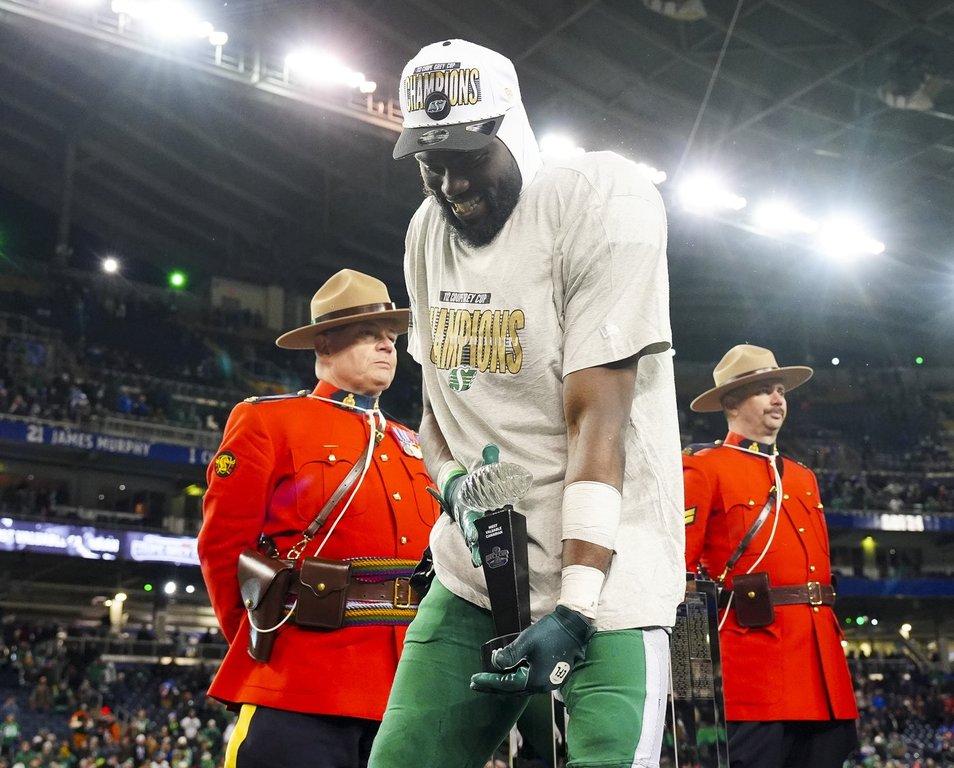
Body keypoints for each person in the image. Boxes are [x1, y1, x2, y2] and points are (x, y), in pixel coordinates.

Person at [369, 39, 685, 768]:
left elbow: (595, 420)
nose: (450, 185)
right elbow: (438, 412)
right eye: (430, 162)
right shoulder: (425, 233)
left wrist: (574, 607)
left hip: (605, 578)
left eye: (468, 158)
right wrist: (454, 489)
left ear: (513, 130)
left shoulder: (600, 201)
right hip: (481, 573)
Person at [198, 269, 440, 768]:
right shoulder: (270, 421)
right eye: (369, 334)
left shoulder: (416, 445)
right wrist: (265, 638)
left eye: (391, 337)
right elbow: (222, 547)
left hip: (406, 690)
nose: (386, 346)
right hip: (300, 685)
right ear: (325, 343)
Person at [682, 344, 858, 767]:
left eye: (780, 389)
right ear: (731, 402)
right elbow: (679, 574)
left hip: (822, 666)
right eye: (764, 390)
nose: (778, 398)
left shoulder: (803, 477)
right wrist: (688, 678)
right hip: (754, 663)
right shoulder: (704, 468)